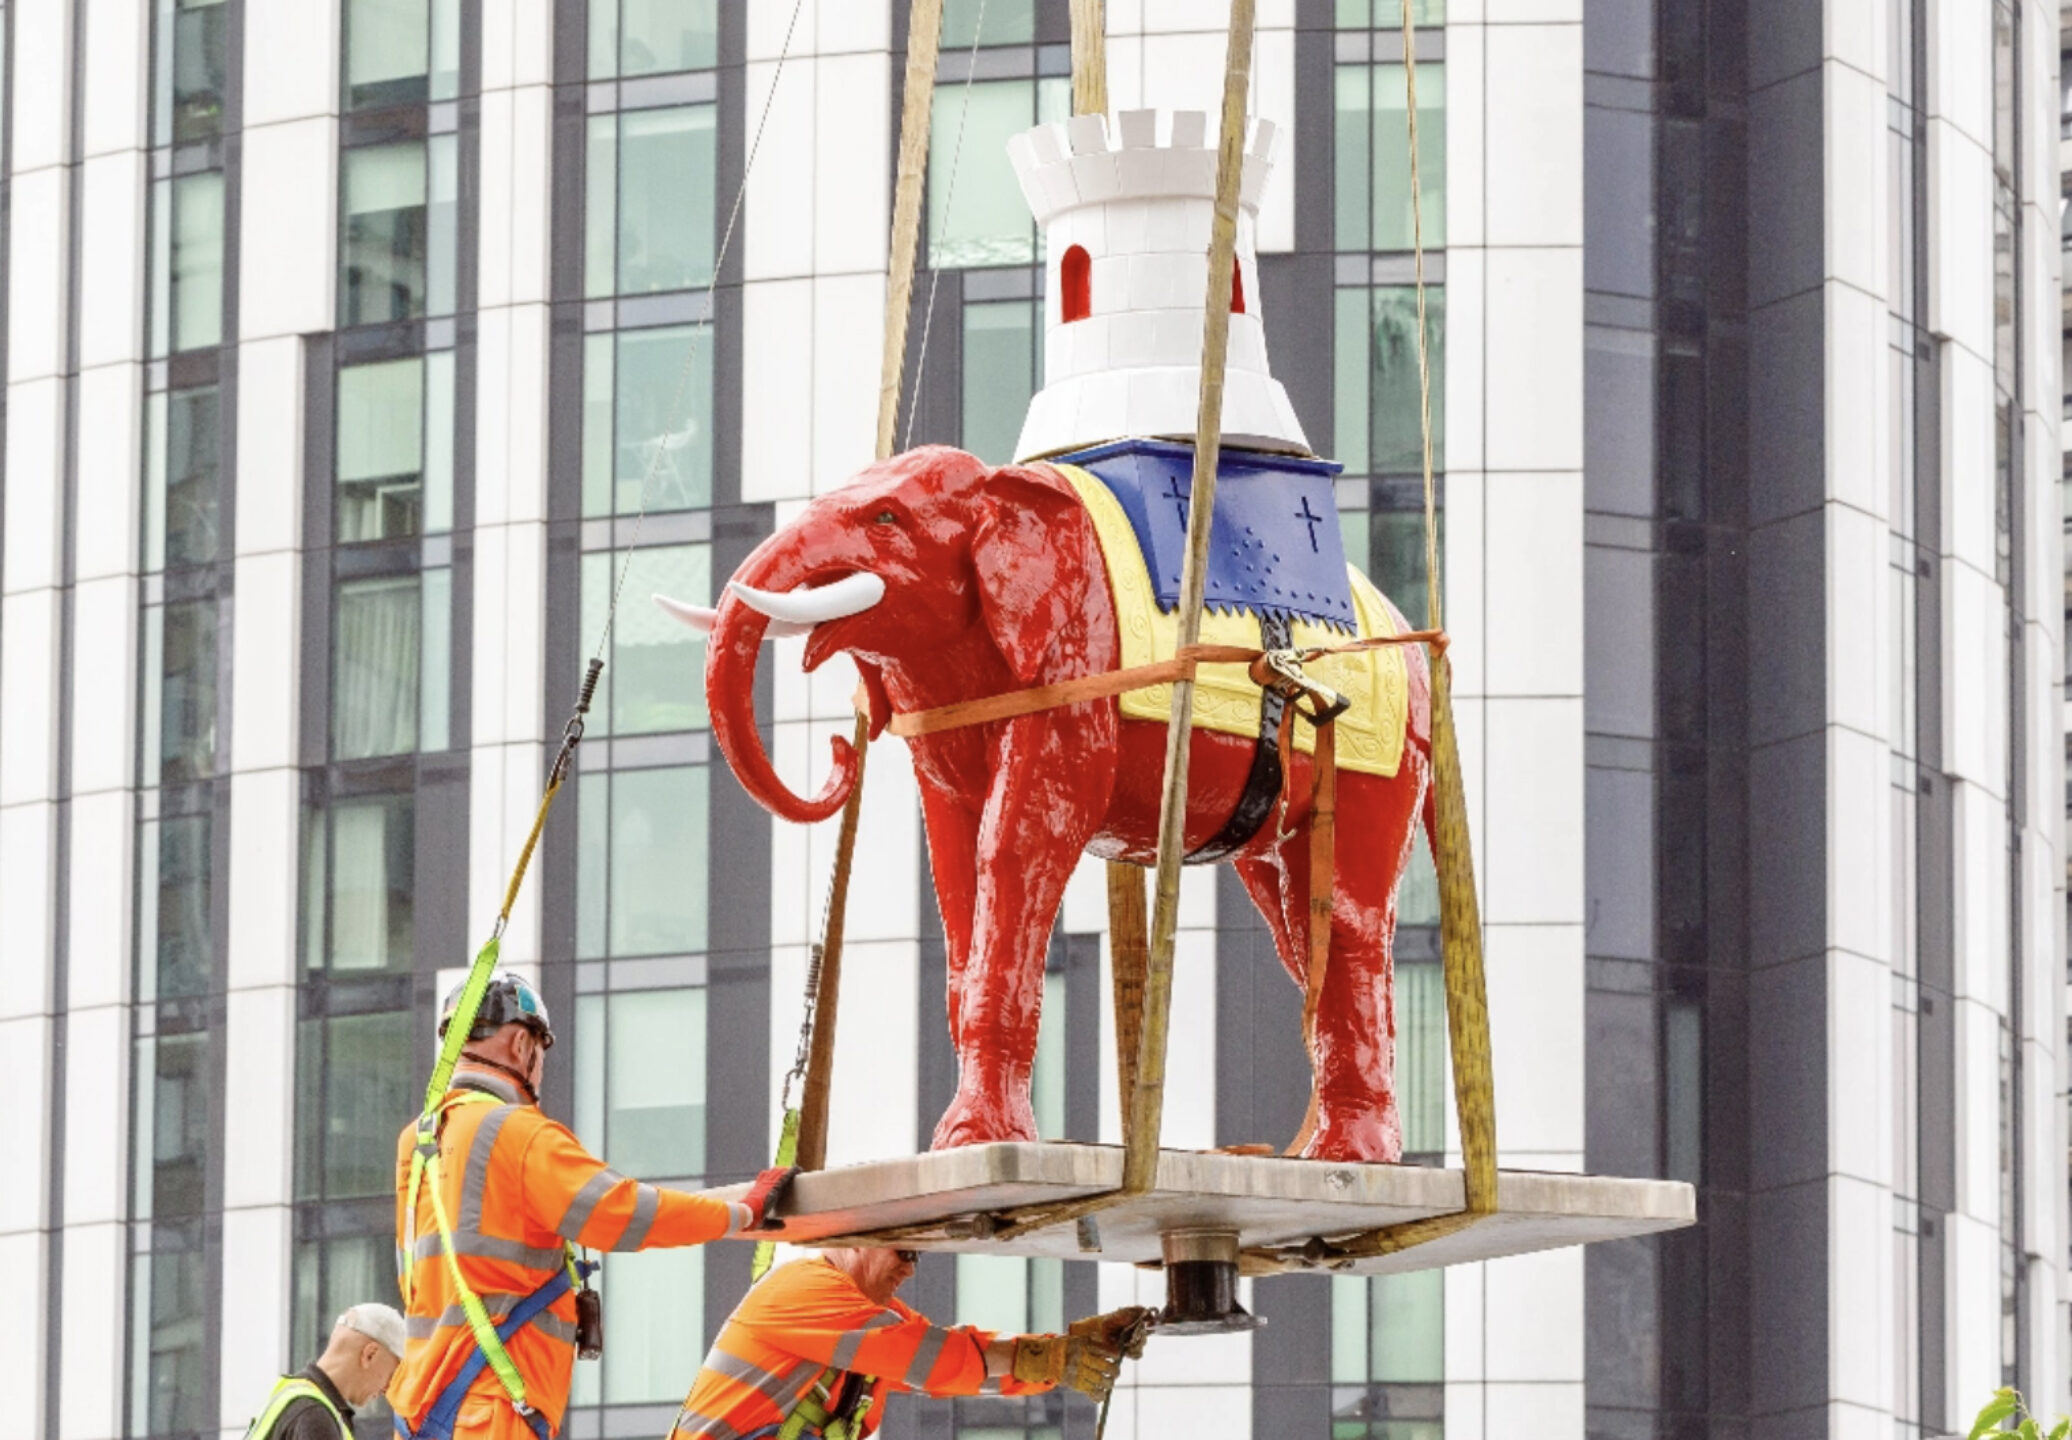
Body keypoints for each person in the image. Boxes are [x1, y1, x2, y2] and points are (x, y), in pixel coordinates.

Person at [391, 971, 795, 1440]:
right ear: (522, 1045)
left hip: (421, 1414)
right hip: (488, 1414)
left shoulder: (417, 1143)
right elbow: (623, 1212)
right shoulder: (517, 1131)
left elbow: (415, 1280)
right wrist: (740, 1213)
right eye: (541, 1052)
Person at [671, 1247, 1154, 1439]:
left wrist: (1060, 1351)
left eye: (917, 1255)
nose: (911, 1269)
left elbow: (959, 1359)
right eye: (902, 1251)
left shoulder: (870, 1319)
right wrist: (1050, 1358)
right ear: (858, 1240)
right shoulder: (802, 1292)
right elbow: (932, 1360)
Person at [242, 1304, 408, 1440]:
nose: (388, 1388)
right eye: (392, 1375)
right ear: (370, 1354)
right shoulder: (314, 1416)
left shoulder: (295, 1399)